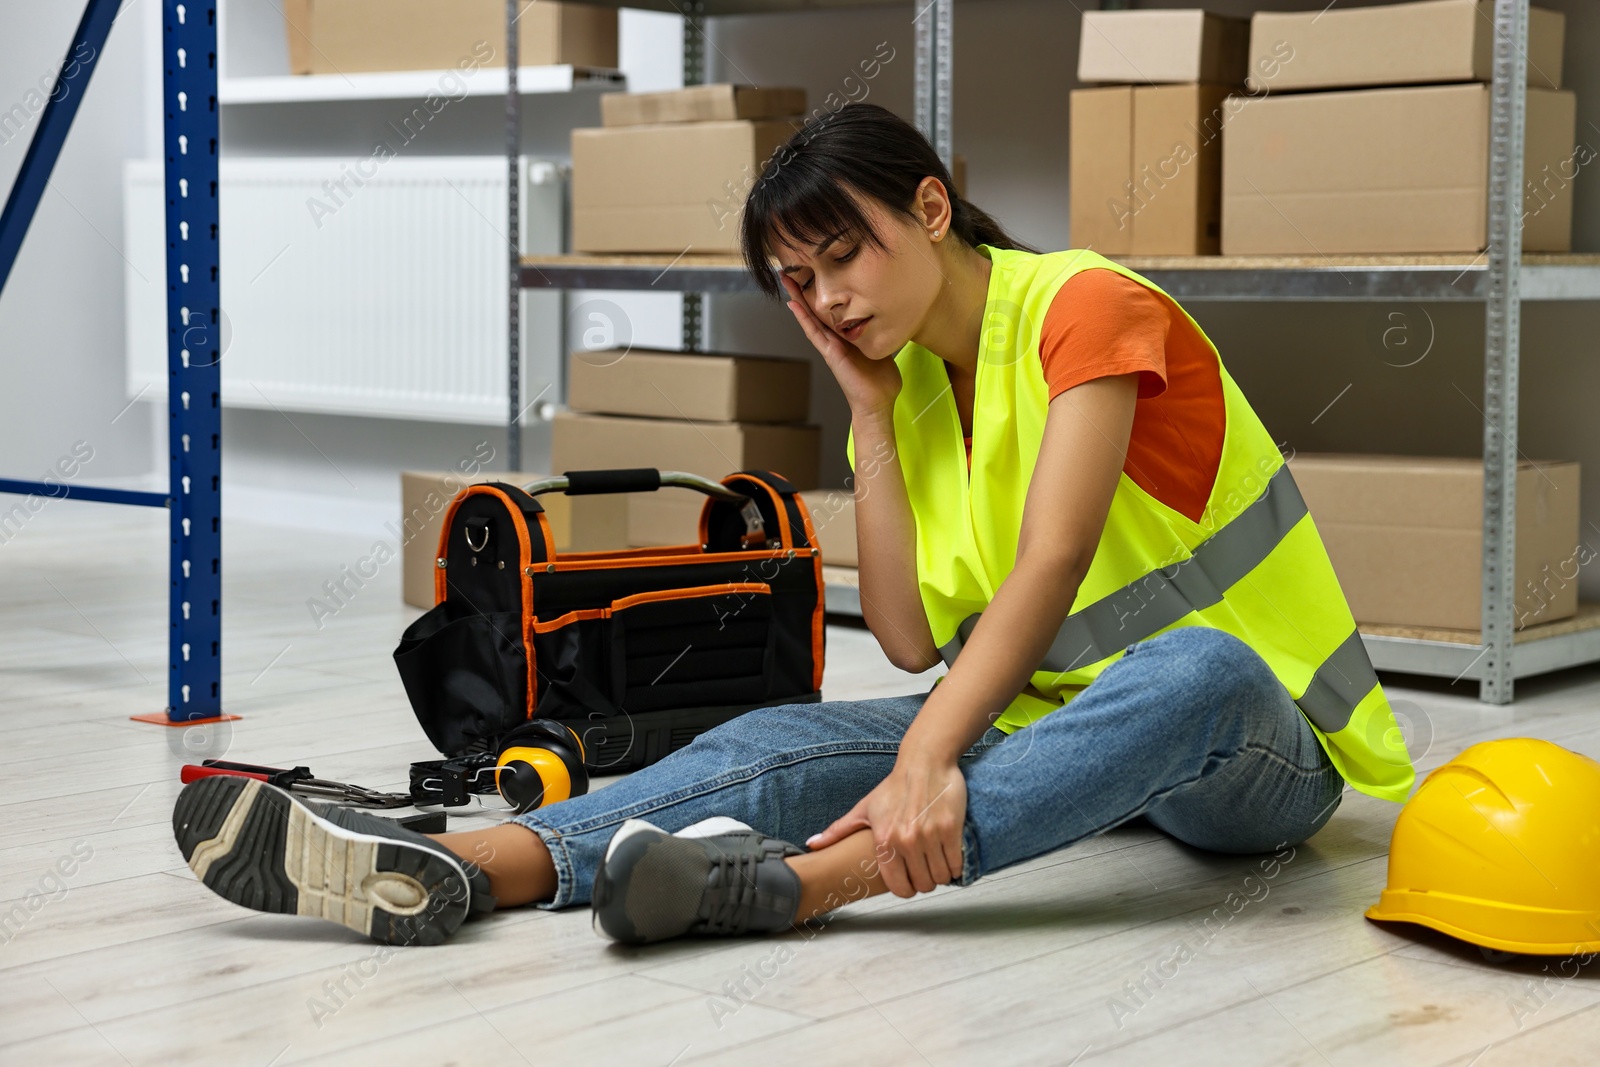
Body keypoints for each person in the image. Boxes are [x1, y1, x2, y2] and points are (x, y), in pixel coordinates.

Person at [171, 102, 1415, 949]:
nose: (829, 297)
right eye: (801, 283)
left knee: (1191, 669)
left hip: (1267, 750)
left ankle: (801, 886)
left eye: (844, 255)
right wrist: (867, 413)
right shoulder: (917, 382)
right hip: (1064, 723)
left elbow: (1051, 561)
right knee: (779, 730)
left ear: (931, 207)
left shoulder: (1085, 311)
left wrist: (926, 762)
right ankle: (472, 866)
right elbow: (910, 635)